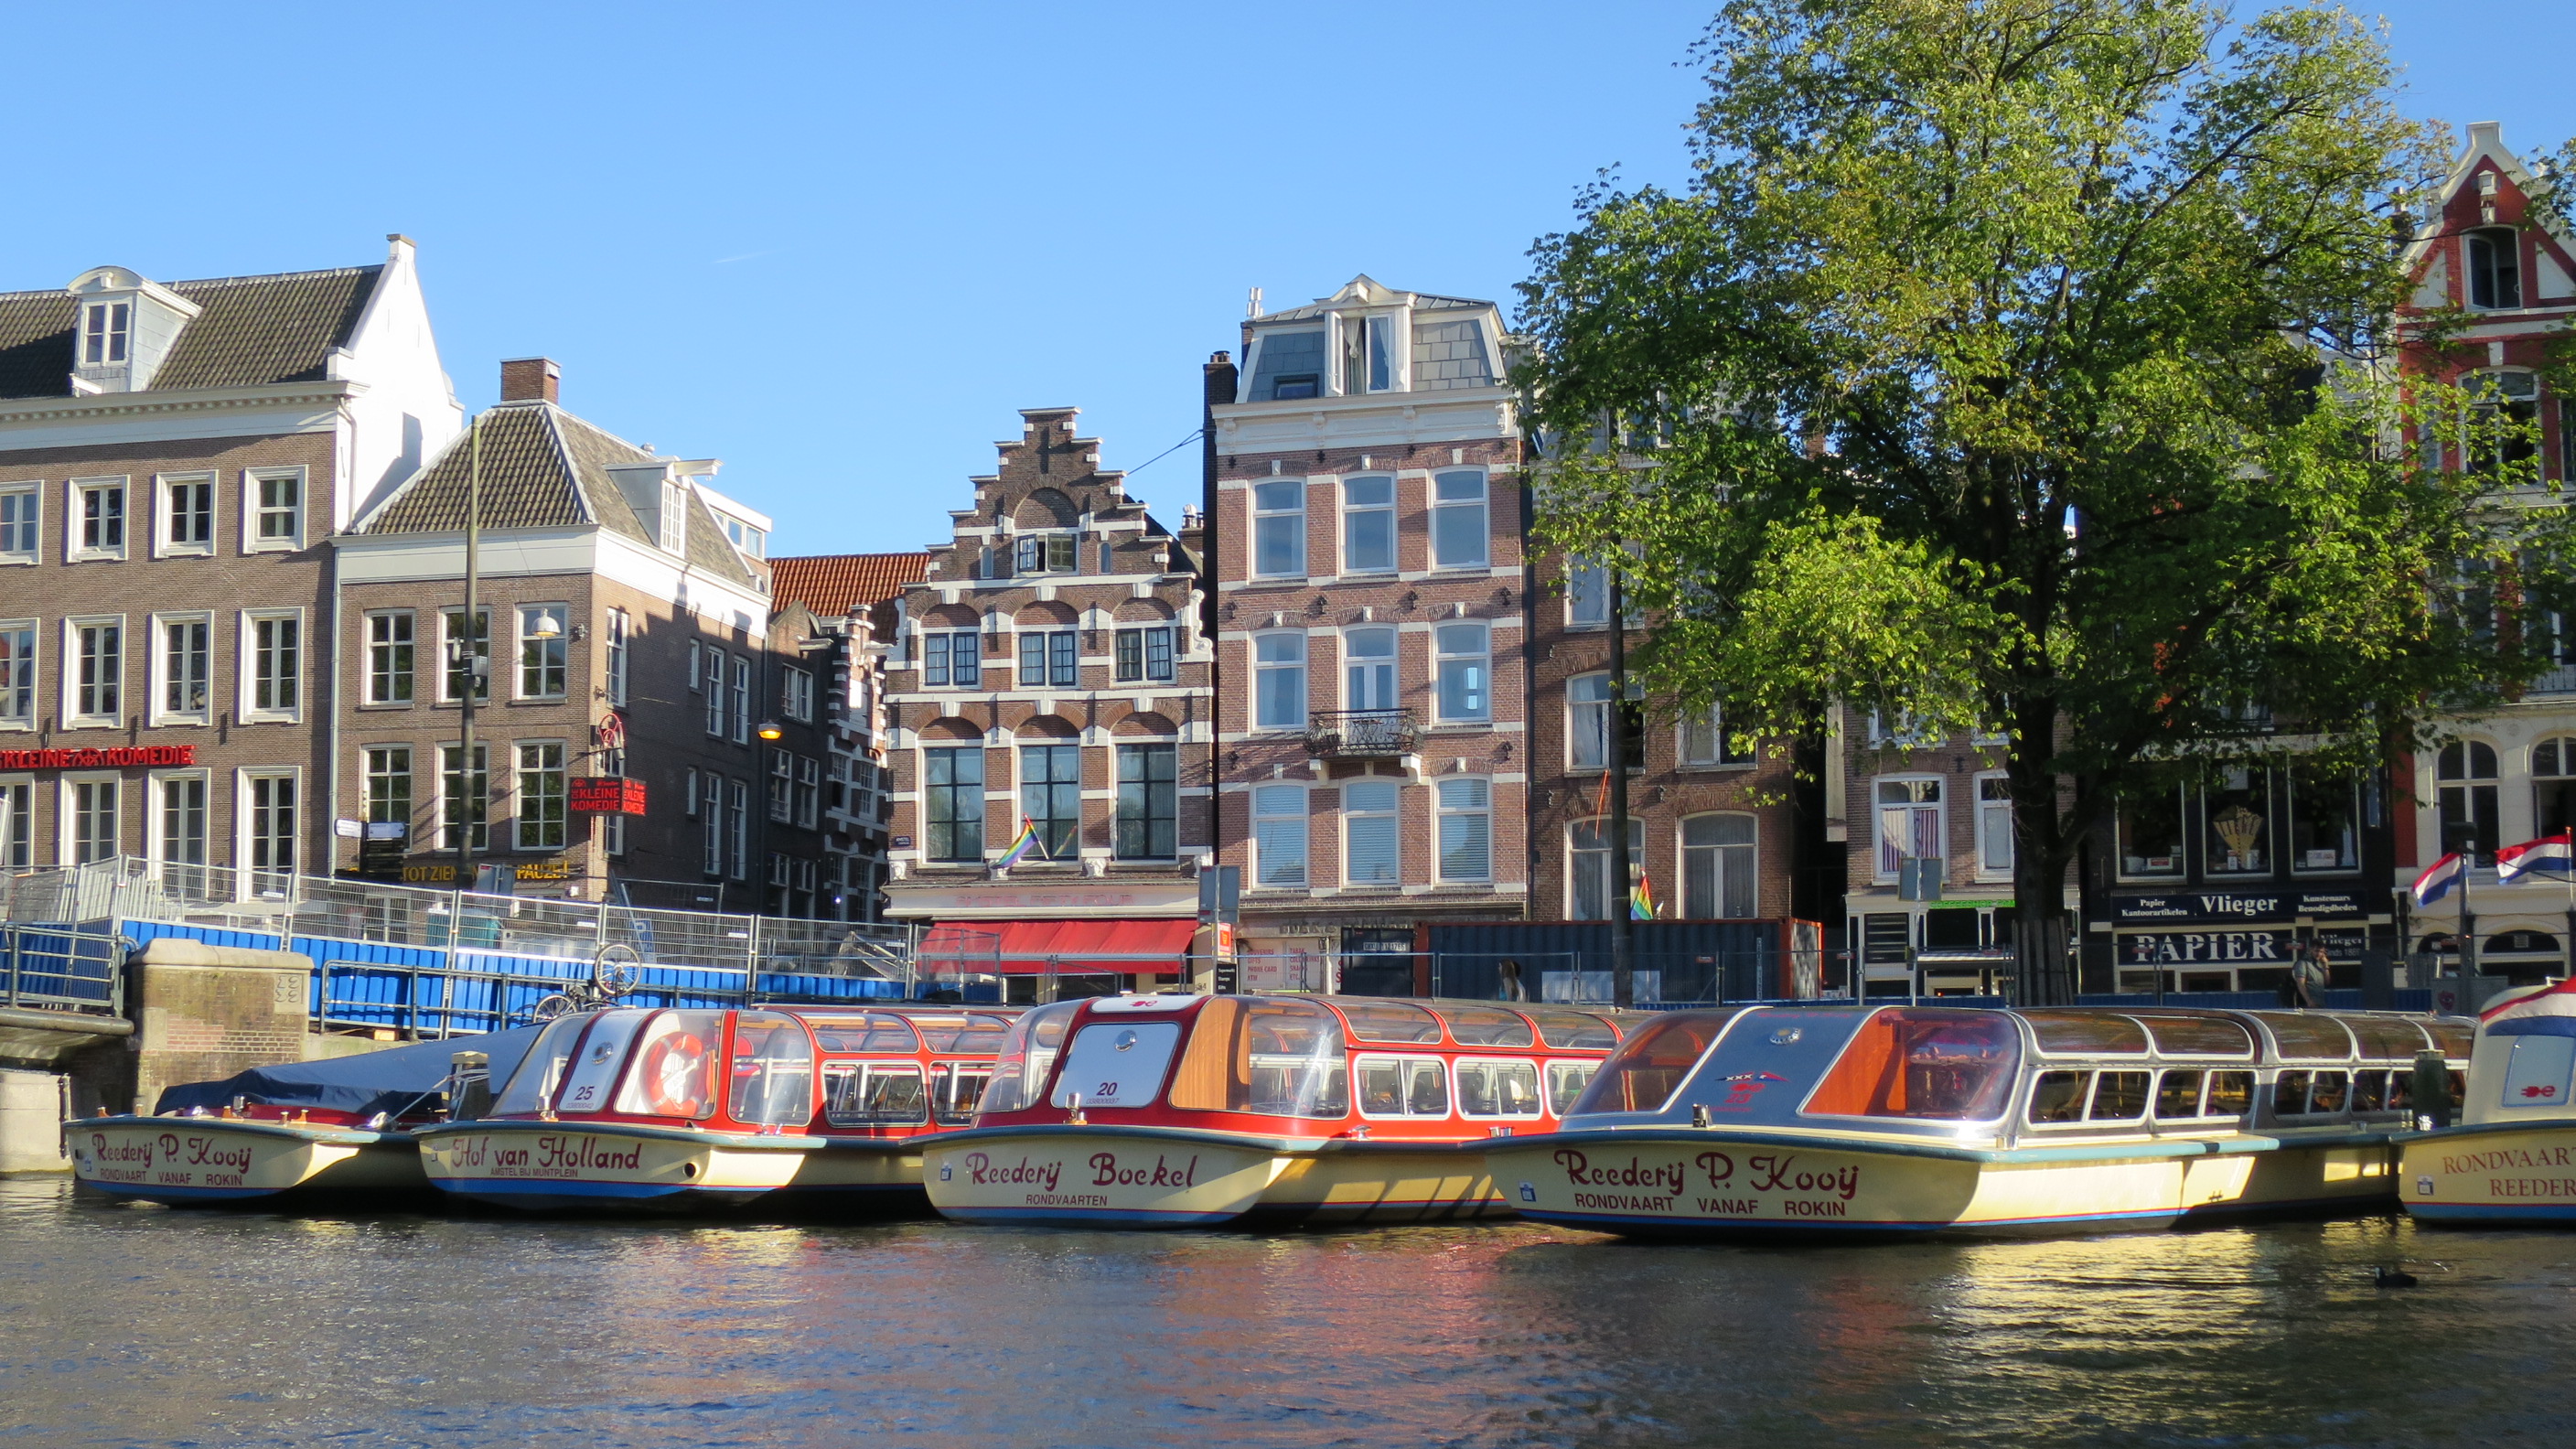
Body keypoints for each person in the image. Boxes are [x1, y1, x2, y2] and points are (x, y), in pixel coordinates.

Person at [2284, 944, 2329, 1009]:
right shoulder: (2302, 963)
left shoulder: (2320, 965)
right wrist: (2308, 1001)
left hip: (2319, 1003)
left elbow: (2327, 982)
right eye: (2316, 951)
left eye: (2321, 952)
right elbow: (2300, 984)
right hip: (2306, 1004)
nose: (2319, 954)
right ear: (2310, 950)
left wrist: (2325, 965)